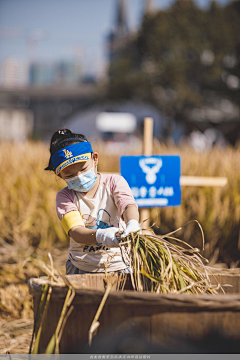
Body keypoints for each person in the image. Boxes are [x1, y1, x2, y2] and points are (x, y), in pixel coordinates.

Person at [45, 129, 141, 274]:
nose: (79, 177)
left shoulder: (114, 182)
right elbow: (75, 231)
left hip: (120, 265)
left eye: (83, 169)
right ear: (60, 175)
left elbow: (127, 205)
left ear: (95, 159)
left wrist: (132, 222)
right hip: (82, 267)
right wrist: (100, 235)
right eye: (70, 175)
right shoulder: (65, 197)